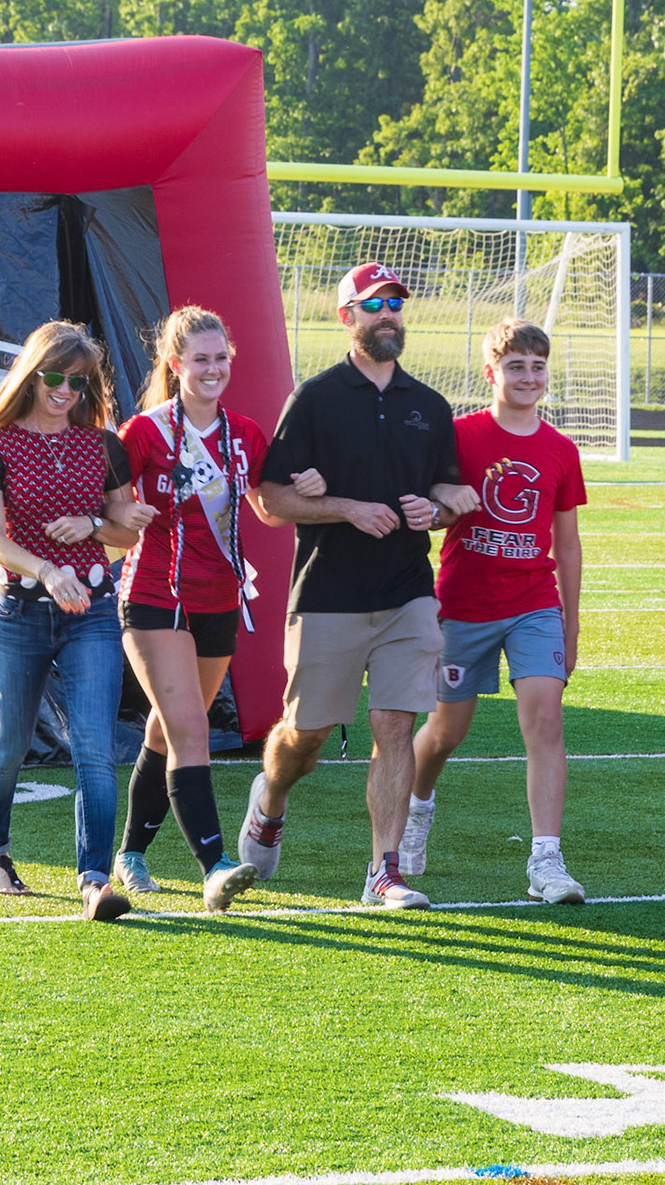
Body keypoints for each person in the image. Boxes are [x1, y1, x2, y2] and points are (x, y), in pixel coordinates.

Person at [241, 262, 477, 909]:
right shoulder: (314, 398)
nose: (387, 314)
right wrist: (346, 508)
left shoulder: (430, 405)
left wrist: (442, 507)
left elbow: (444, 490)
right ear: (346, 317)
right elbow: (270, 499)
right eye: (373, 304)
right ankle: (270, 801)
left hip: (408, 590)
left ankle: (383, 872)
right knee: (307, 736)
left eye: (395, 302)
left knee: (394, 725)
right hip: (327, 594)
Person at [110, 305, 324, 912]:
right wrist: (121, 516)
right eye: (200, 359)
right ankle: (216, 866)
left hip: (220, 600)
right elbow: (110, 509)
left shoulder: (245, 433)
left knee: (169, 728)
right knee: (191, 729)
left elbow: (268, 507)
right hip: (155, 597)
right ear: (175, 364)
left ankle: (131, 851)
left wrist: (308, 489)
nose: (212, 369)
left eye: (220, 358)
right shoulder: (144, 432)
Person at [0, 320, 149, 922]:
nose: (65, 390)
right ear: (31, 374)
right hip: (20, 610)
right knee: (9, 746)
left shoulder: (103, 445)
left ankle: (95, 880)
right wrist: (46, 569)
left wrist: (94, 525)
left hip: (91, 613)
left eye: (79, 381)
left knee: (94, 746)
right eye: (54, 377)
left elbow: (126, 530)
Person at [403, 318, 588, 901]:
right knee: (446, 731)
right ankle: (416, 807)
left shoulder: (561, 449)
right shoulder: (458, 436)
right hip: (464, 604)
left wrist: (571, 624)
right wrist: (442, 502)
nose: (528, 376)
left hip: (535, 604)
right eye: (515, 366)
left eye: (537, 366)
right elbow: (425, 505)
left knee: (546, 719)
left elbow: (568, 544)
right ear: (491, 372)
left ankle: (546, 860)